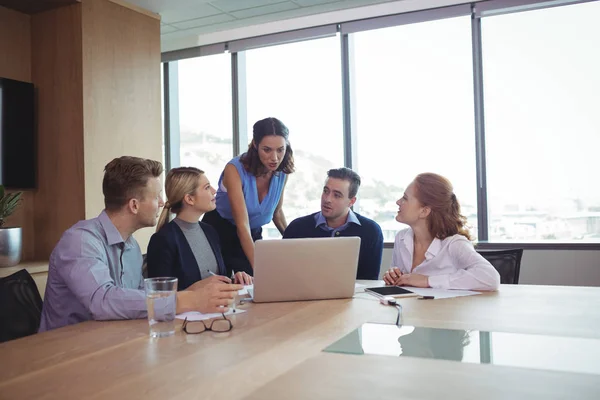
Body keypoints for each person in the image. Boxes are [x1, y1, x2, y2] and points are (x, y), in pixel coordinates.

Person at [39, 156, 241, 332]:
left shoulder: (132, 247)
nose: (163, 203)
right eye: (156, 196)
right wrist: (188, 300)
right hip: (65, 354)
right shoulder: (80, 241)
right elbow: (102, 301)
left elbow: (134, 301)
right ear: (134, 205)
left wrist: (190, 292)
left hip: (110, 344)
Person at [202, 117, 294, 276]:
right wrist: (260, 270)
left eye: (280, 149)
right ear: (255, 145)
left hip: (253, 233)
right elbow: (242, 226)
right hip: (220, 231)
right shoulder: (234, 169)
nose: (275, 158)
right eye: (267, 150)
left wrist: (295, 244)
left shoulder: (282, 172)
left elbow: (276, 212)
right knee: (245, 281)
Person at [383, 173, 500, 291]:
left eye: (405, 198)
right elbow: (404, 284)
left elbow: (491, 278)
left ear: (424, 211)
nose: (398, 202)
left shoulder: (454, 243)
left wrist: (427, 281)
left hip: (444, 309)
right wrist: (393, 276)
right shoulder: (401, 238)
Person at [146, 167, 253, 287]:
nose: (214, 191)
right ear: (189, 199)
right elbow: (161, 295)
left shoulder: (210, 231)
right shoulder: (163, 240)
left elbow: (219, 278)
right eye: (207, 187)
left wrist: (235, 278)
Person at [283, 168, 384, 280]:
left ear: (351, 201)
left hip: (354, 296)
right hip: (303, 295)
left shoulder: (371, 231)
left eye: (337, 195)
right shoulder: (297, 228)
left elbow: (369, 281)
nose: (327, 199)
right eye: (326, 191)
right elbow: (284, 275)